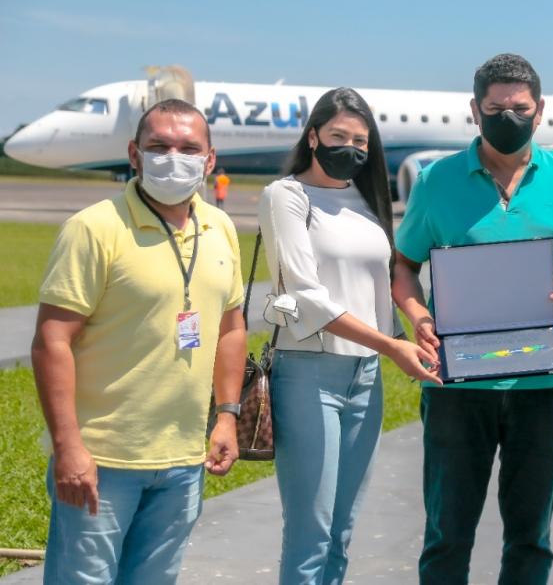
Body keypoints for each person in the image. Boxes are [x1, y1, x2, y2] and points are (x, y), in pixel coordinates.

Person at [392, 53, 553, 585]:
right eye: (496, 108)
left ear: (540, 111)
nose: (508, 117)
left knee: (530, 538)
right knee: (447, 534)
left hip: (543, 383)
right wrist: (417, 312)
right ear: (474, 110)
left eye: (519, 108)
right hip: (457, 385)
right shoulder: (435, 181)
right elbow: (403, 266)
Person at [31, 99, 247, 585]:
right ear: (134, 153)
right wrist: (68, 447)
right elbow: (52, 343)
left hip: (183, 459)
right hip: (102, 461)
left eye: (189, 148)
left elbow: (231, 329)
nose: (174, 157)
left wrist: (228, 417)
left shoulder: (221, 228)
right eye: (159, 146)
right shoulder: (93, 228)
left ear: (210, 160)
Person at [258, 87, 441, 585]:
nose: (351, 148)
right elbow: (308, 296)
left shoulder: (367, 199)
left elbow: (378, 286)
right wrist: (391, 346)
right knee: (310, 532)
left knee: (341, 532)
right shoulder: (286, 197)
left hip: (366, 376)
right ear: (313, 136)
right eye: (338, 136)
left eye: (361, 141)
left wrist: (412, 332)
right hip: (308, 373)